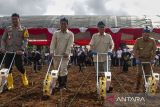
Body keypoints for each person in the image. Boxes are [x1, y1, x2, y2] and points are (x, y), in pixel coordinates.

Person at [1, 13, 29, 90]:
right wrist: (2, 48)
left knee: (19, 66)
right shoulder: (8, 29)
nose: (14, 20)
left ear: (19, 19)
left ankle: (24, 76)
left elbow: (26, 40)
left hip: (18, 52)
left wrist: (22, 49)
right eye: (13, 19)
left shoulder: (23, 29)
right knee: (7, 67)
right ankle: (10, 84)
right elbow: (3, 39)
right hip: (8, 51)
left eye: (15, 19)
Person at [50, 17, 74, 89]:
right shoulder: (56, 33)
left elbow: (70, 44)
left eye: (64, 24)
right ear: (60, 24)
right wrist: (51, 52)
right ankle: (58, 83)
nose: (63, 25)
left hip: (64, 56)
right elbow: (53, 43)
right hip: (56, 55)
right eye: (62, 24)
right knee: (56, 69)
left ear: (67, 25)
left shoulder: (70, 34)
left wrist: (67, 52)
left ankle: (63, 85)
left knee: (63, 69)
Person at [133, 27, 157, 92]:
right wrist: (137, 58)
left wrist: (153, 59)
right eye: (145, 34)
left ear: (149, 34)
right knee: (140, 73)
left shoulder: (152, 41)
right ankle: (138, 84)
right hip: (140, 60)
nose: (146, 36)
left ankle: (146, 87)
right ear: (142, 34)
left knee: (148, 74)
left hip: (149, 60)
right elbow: (134, 50)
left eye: (148, 34)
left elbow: (154, 50)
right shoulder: (138, 40)